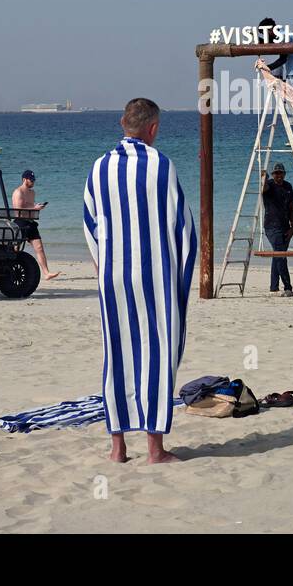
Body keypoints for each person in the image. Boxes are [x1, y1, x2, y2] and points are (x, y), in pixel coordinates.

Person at [82, 98, 196, 464]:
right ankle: (154, 450)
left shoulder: (99, 169)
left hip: (113, 276)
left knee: (117, 354)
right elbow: (183, 227)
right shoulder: (161, 167)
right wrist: (182, 273)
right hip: (154, 277)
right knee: (157, 354)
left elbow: (91, 223)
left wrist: (103, 263)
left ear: (122, 123)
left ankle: (117, 449)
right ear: (153, 128)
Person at [258, 17, 293, 145]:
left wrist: (267, 68)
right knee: (291, 101)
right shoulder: (282, 34)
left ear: (269, 30)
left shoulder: (283, 36)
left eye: (264, 32)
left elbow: (282, 59)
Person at [11, 170, 60, 280]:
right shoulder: (18, 192)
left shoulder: (32, 192)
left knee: (39, 248)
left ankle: (46, 273)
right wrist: (34, 208)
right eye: (31, 180)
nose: (33, 182)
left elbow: (30, 207)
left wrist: (38, 207)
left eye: (33, 180)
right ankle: (11, 268)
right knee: (16, 249)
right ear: (24, 179)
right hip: (20, 222)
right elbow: (19, 210)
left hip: (31, 223)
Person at [261, 162, 293, 297]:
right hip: (271, 226)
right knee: (281, 255)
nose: (278, 175)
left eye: (280, 173)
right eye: (276, 173)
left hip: (285, 227)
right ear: (273, 174)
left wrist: (292, 227)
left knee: (278, 255)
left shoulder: (288, 186)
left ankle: (273, 287)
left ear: (284, 173)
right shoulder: (269, 185)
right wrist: (263, 177)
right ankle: (288, 287)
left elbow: (292, 208)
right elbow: (263, 189)